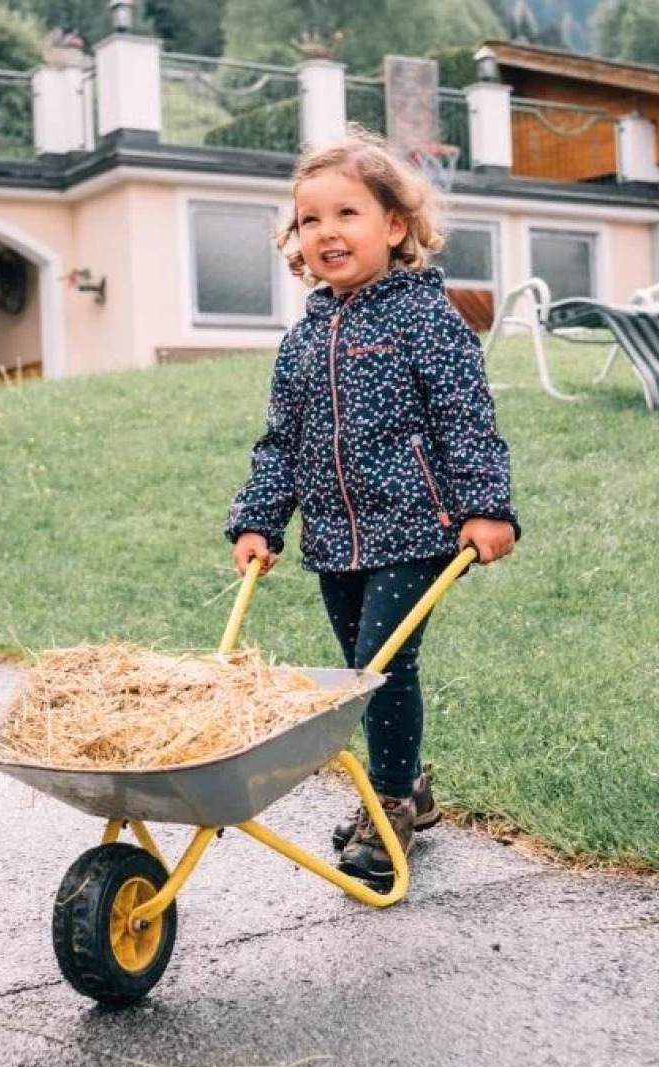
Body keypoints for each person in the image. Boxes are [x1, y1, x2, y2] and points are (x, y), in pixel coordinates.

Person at [224, 129, 519, 888]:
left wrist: (486, 508)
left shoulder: (426, 319)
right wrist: (258, 518)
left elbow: (465, 416)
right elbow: (279, 442)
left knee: (379, 671)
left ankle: (386, 804)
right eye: (310, 220)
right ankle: (412, 787)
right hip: (331, 539)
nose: (327, 232)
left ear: (393, 225)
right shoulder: (300, 341)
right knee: (363, 670)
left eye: (346, 213)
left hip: (414, 531)